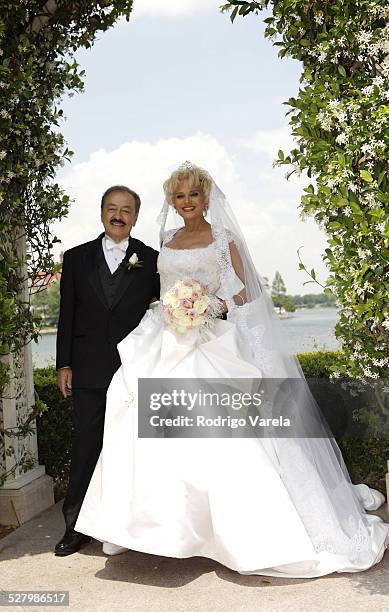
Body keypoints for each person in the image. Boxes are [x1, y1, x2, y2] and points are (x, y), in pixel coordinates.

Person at [74, 163, 389, 577]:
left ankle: (228, 535)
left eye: (194, 195)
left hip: (208, 341)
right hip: (163, 342)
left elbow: (244, 291)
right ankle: (148, 529)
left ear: (207, 199)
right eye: (179, 196)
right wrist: (173, 308)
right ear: (173, 200)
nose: (186, 202)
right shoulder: (166, 241)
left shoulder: (224, 240)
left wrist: (212, 306)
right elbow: (159, 289)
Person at [54, 185, 160, 556]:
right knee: (86, 444)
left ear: (135, 216)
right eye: (112, 208)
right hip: (87, 367)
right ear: (101, 213)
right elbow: (66, 314)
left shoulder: (151, 259)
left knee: (131, 449)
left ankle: (131, 525)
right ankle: (75, 526)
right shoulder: (77, 257)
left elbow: (170, 305)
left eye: (126, 209)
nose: (119, 215)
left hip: (134, 367)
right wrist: (64, 363)